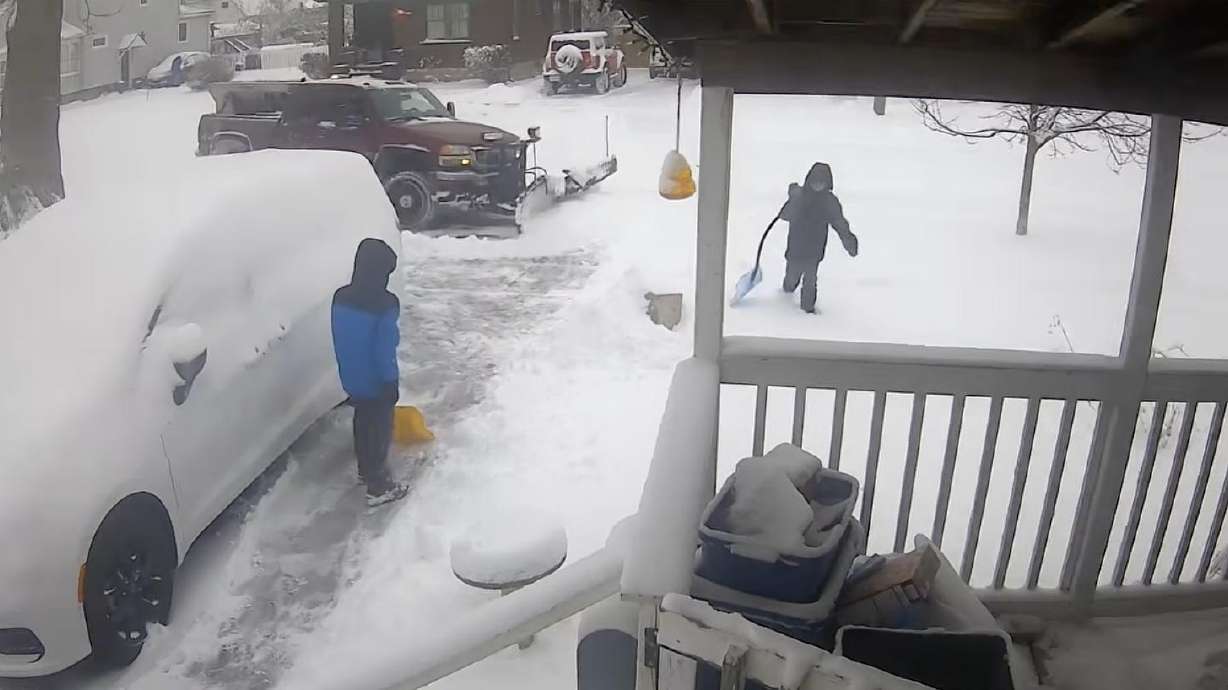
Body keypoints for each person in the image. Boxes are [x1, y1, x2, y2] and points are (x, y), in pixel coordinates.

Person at [331, 238, 408, 506]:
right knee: (379, 428)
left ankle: (365, 470)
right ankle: (378, 486)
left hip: (351, 376)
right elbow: (383, 348)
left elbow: (344, 336)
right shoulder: (385, 304)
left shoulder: (340, 296)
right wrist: (390, 382)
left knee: (362, 422)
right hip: (377, 380)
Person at [779, 162, 859, 314]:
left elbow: (839, 222)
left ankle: (808, 309)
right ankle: (787, 290)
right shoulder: (800, 196)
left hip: (815, 249)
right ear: (809, 181)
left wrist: (848, 239)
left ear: (827, 184)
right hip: (796, 245)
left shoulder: (829, 203)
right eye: (815, 182)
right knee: (792, 276)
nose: (818, 186)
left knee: (810, 280)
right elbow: (784, 215)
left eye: (821, 183)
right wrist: (793, 199)